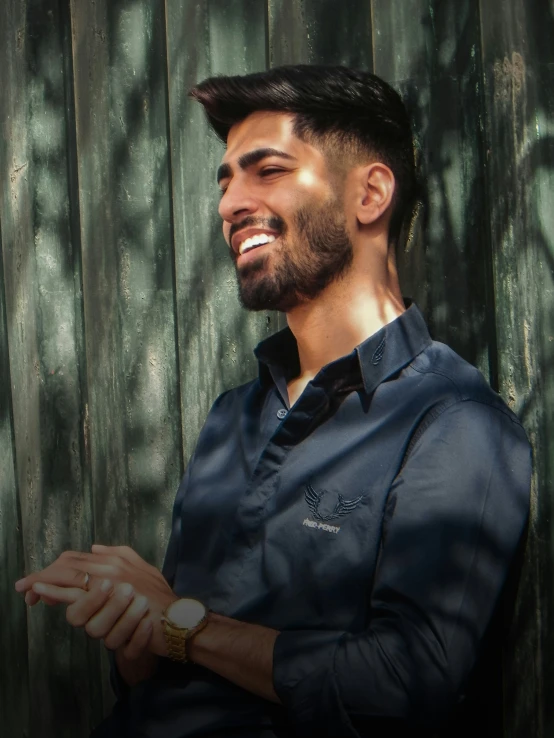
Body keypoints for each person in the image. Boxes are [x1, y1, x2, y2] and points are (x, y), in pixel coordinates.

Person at [15, 65, 531, 738]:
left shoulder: (454, 423)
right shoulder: (235, 415)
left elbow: (407, 684)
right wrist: (137, 628)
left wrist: (180, 622)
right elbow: (172, 664)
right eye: (227, 179)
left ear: (370, 193)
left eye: (267, 170)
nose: (229, 203)